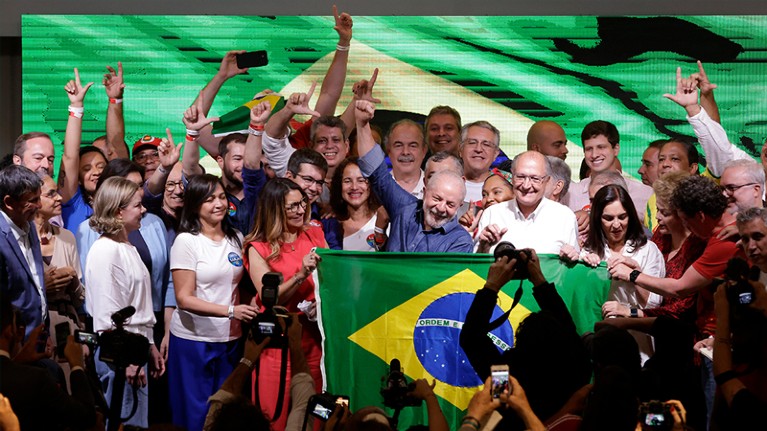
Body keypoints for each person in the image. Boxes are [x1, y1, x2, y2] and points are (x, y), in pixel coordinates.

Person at [460, 250, 591, 428]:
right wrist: (538, 279)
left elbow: (471, 338)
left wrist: (492, 286)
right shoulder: (579, 365)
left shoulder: (506, 379)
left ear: (520, 343)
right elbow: (568, 328)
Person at [168, 174, 257, 431]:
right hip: (194, 342)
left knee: (225, 414)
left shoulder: (236, 238)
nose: (218, 204)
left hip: (230, 340)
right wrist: (231, 311)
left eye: (221, 197)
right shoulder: (187, 241)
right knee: (196, 416)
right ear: (195, 205)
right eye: (209, 199)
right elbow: (184, 299)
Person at [243, 178, 325, 431]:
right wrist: (300, 274)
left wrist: (319, 305)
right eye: (292, 207)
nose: (300, 210)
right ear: (274, 209)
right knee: (273, 416)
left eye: (302, 203)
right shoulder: (258, 247)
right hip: (276, 345)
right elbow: (270, 297)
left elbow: (332, 280)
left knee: (315, 415)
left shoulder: (315, 234)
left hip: (313, 341)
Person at [84, 176, 164, 429]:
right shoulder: (106, 250)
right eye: (138, 205)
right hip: (119, 355)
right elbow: (109, 315)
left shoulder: (126, 246)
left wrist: (148, 344)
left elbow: (138, 306)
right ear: (119, 210)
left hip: (133, 350)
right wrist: (128, 360)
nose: (144, 210)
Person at [355, 100, 473, 253]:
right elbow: (376, 172)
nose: (441, 208)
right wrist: (362, 124)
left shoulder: (461, 242)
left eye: (450, 204)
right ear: (424, 192)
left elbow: (444, 277)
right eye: (436, 199)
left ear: (459, 206)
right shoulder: (405, 208)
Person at [603, 171, 705, 322]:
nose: (657, 217)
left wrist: (630, 311)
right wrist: (637, 269)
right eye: (657, 210)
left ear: (684, 215)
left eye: (664, 213)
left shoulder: (699, 246)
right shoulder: (661, 236)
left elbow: (682, 309)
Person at [0, 297, 96, 431]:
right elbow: (86, 417)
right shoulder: (35, 380)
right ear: (10, 331)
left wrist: (17, 362)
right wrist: (77, 366)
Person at [203, 315, 314, 431]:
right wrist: (294, 343)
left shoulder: (212, 425)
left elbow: (220, 400)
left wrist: (248, 359)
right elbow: (304, 403)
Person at [475, 151, 579, 254]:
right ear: (513, 177)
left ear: (547, 181)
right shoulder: (492, 213)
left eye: (535, 178)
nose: (526, 185)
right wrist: (483, 247)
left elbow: (574, 263)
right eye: (520, 177)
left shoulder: (565, 217)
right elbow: (475, 266)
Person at [33, 175, 84, 358]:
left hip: (67, 326)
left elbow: (79, 299)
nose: (60, 198)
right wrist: (43, 287)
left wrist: (73, 281)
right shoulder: (19, 241)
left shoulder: (67, 238)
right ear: (34, 199)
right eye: (51, 194)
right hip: (34, 331)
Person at [565, 120, 652, 224]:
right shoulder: (571, 193)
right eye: (589, 149)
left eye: (601, 147)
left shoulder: (645, 193)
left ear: (616, 149)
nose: (594, 154)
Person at [0, 165, 46, 339]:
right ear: (9, 203)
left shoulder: (29, 224)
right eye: (33, 200)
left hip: (38, 338)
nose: (39, 205)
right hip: (12, 348)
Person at [327, 157, 384, 251]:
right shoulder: (330, 226)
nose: (354, 187)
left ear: (371, 184)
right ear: (339, 186)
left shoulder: (384, 218)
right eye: (347, 181)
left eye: (361, 180)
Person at [461, 121, 501, 203]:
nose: (478, 149)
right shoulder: (444, 181)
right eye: (472, 143)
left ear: (495, 154)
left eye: (486, 144)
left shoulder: (509, 185)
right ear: (460, 149)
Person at [385, 119, 427, 198]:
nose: (405, 152)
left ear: (424, 151)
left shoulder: (435, 187)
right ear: (389, 151)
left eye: (413, 146)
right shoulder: (377, 189)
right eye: (398, 145)